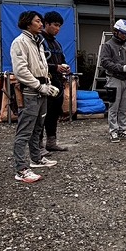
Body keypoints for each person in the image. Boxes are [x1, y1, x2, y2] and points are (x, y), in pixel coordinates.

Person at [10, 10, 60, 183]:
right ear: (27, 23)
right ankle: (21, 169)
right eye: (37, 21)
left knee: (38, 128)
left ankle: (36, 159)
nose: (41, 24)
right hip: (30, 91)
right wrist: (39, 86)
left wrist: (47, 84)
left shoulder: (37, 41)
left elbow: (42, 66)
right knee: (24, 131)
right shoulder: (20, 42)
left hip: (41, 90)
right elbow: (21, 70)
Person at [99, 19, 126, 142]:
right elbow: (105, 62)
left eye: (125, 33)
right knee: (114, 106)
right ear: (116, 32)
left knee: (124, 106)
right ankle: (113, 131)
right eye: (122, 33)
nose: (124, 35)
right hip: (114, 78)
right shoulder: (108, 45)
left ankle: (122, 129)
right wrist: (122, 68)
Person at [40, 11, 71, 152]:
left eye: (59, 26)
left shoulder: (57, 43)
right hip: (44, 83)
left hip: (57, 83)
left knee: (54, 114)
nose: (57, 29)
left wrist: (65, 68)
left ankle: (51, 142)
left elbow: (62, 60)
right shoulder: (39, 41)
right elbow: (37, 64)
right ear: (46, 24)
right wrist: (55, 67)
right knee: (42, 115)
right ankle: (38, 146)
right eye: (55, 25)